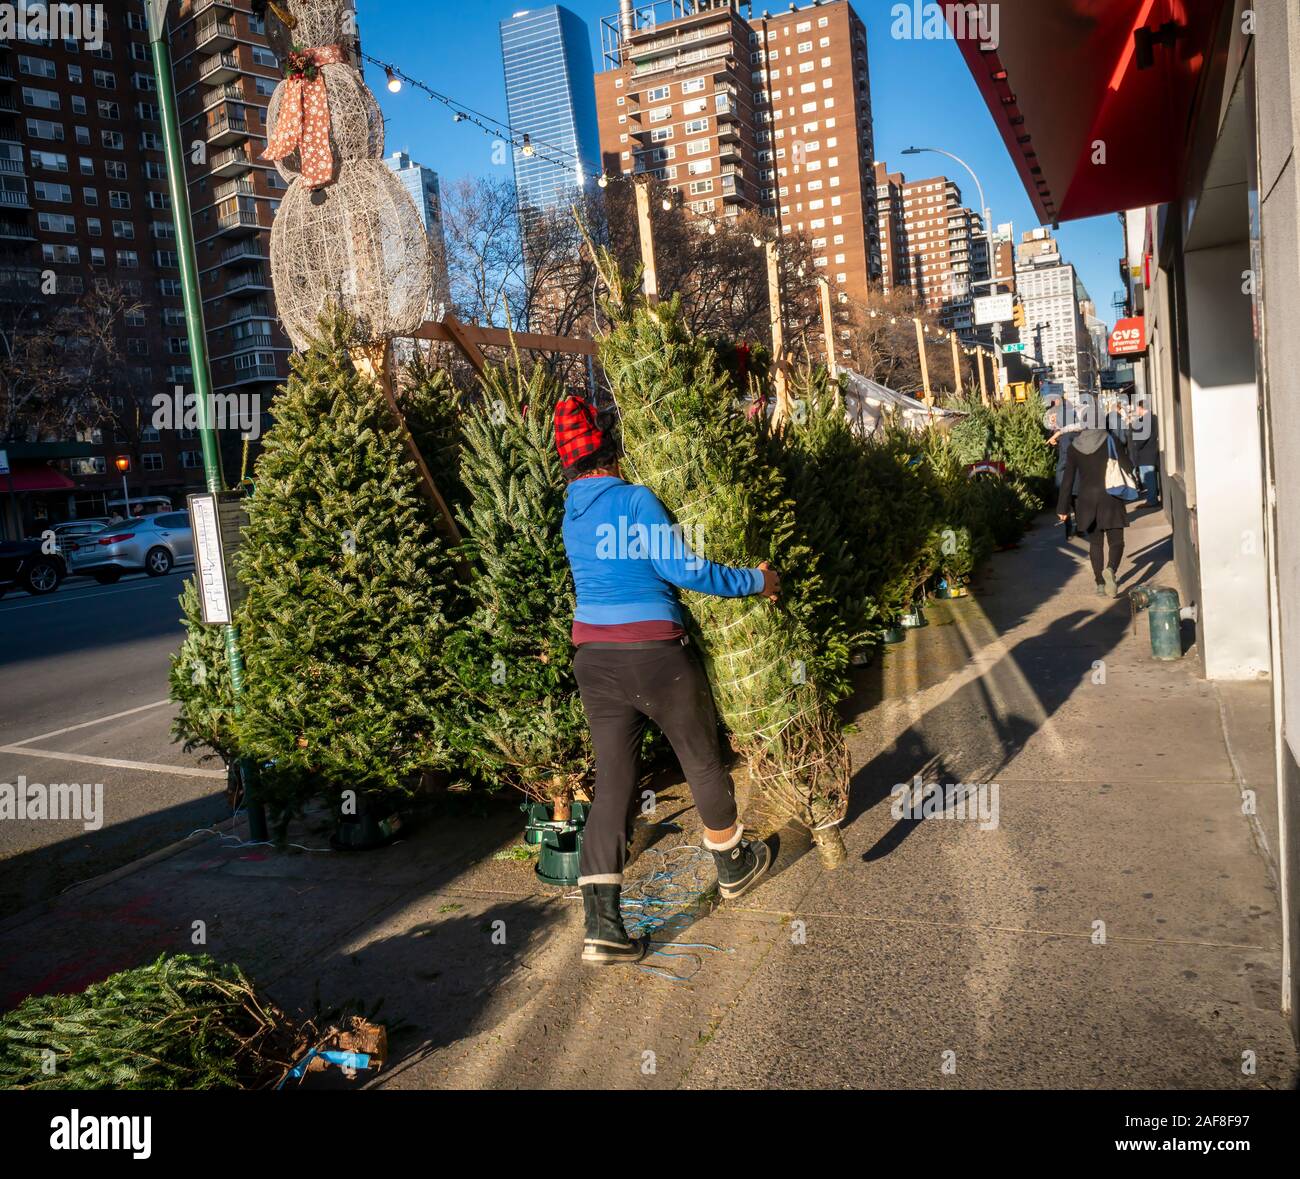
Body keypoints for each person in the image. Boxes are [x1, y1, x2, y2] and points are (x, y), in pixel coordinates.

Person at [556, 394, 777, 966]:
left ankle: (603, 927)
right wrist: (757, 581)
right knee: (700, 757)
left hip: (594, 662)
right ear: (610, 447)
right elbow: (684, 570)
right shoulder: (635, 500)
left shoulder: (571, 514)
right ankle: (733, 869)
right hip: (654, 654)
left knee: (614, 786)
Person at [1056, 427, 1137, 597]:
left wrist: (1062, 508)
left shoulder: (1074, 447)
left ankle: (1100, 583)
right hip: (1111, 497)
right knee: (1116, 542)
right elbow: (1127, 465)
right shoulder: (1109, 439)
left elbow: (1067, 480)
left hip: (1086, 500)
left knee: (1096, 543)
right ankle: (1111, 569)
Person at [1128, 401, 1160, 507]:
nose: (1136, 410)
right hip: (1147, 454)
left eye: (1137, 408)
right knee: (1147, 477)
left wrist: (1135, 444)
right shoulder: (1150, 418)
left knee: (1148, 478)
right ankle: (1151, 498)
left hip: (1147, 454)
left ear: (1141, 408)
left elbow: (1142, 437)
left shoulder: (1147, 419)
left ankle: (1152, 500)